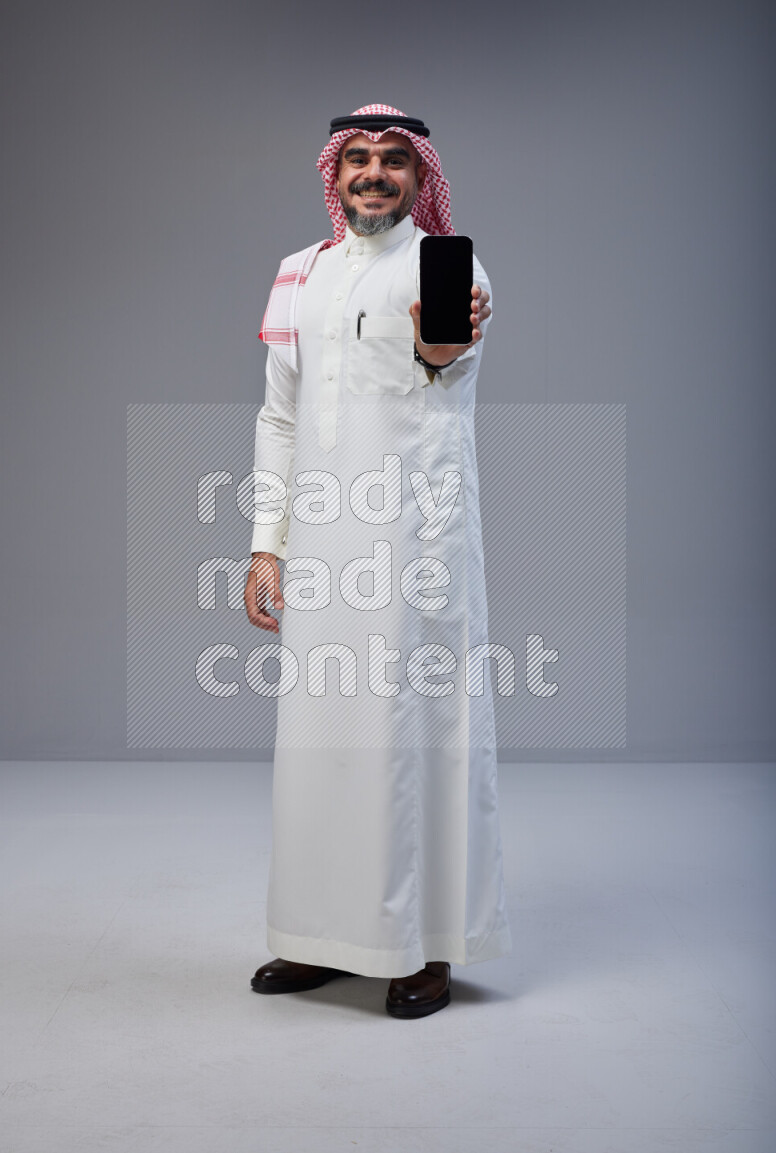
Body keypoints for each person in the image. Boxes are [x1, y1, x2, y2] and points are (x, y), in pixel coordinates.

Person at [244, 104, 512, 1019]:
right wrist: (265, 543)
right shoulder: (296, 275)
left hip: (415, 543)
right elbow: (279, 417)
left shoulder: (449, 266)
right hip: (323, 547)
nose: (373, 175)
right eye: (357, 158)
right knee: (320, 741)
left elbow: (450, 361)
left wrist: (441, 348)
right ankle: (324, 936)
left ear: (417, 175)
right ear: (335, 171)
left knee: (413, 738)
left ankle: (425, 948)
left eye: (394, 161)